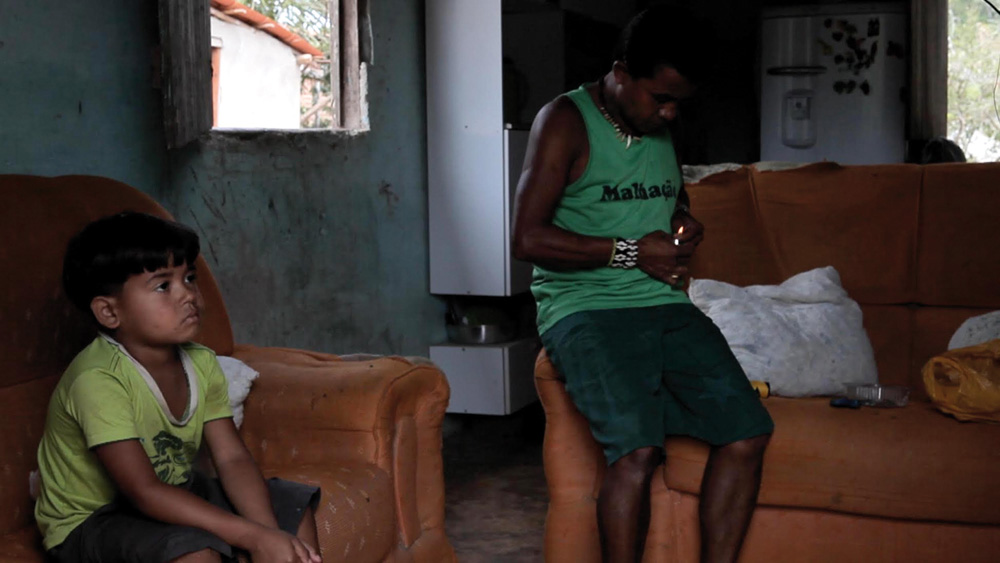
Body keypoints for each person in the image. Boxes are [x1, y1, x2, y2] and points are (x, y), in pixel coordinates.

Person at [512, 6, 773, 562]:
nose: (670, 112)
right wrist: (631, 250)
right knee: (637, 453)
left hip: (663, 303)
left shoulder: (657, 122)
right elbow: (526, 238)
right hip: (585, 308)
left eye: (679, 101)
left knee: (747, 432)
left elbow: (666, 194)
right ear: (621, 73)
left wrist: (682, 219)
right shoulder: (565, 120)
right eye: (660, 98)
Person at [36, 212, 323, 563]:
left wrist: (268, 535)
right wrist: (252, 536)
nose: (188, 294)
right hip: (94, 519)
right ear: (109, 312)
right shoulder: (97, 380)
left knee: (291, 511)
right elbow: (142, 490)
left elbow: (231, 458)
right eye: (163, 286)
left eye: (189, 278)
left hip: (173, 489)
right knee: (194, 553)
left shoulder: (201, 363)